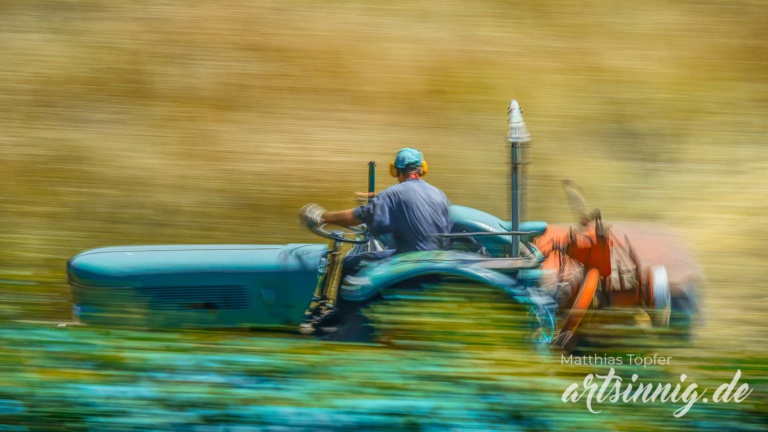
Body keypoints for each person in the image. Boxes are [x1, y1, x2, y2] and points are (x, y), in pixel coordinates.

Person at [300, 148, 452, 254]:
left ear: (395, 170)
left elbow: (356, 217)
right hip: (436, 261)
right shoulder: (439, 194)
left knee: (354, 265)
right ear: (422, 169)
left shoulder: (392, 195)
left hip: (413, 262)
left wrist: (322, 217)